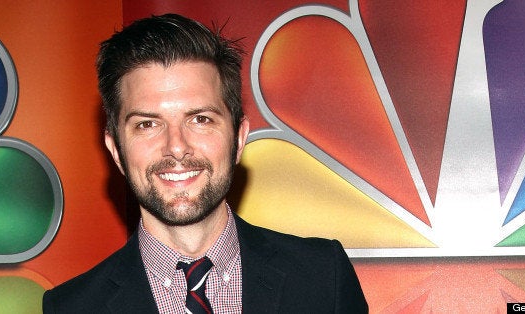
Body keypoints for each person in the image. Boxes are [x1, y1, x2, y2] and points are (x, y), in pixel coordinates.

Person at [42, 13, 367, 313]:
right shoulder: (73, 307)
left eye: (200, 119)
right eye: (147, 124)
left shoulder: (324, 280)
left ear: (239, 138)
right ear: (116, 151)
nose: (177, 147)